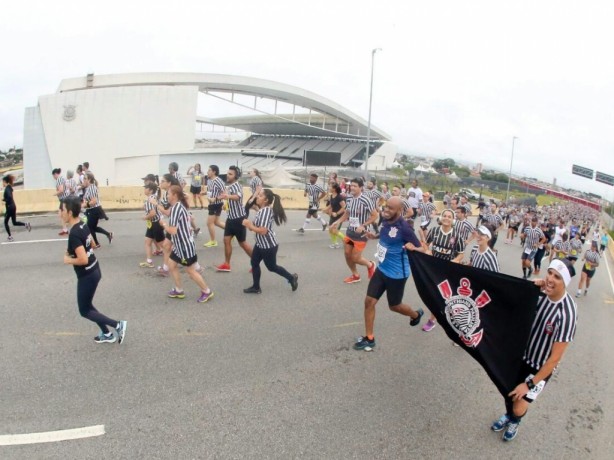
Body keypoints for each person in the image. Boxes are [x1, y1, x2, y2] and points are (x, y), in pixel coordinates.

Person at [491, 258, 577, 442]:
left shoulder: (567, 314)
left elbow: (554, 359)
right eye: (550, 273)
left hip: (538, 368)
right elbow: (514, 297)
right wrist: (531, 287)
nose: (551, 279)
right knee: (508, 391)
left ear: (565, 283)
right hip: (519, 355)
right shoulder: (540, 292)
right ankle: (509, 415)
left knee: (518, 404)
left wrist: (529, 384)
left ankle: (515, 420)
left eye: (558, 277)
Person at [353, 197, 424, 352]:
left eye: (390, 208)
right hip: (382, 268)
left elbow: (422, 249)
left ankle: (415, 315)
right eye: (385, 207)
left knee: (394, 306)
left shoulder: (405, 228)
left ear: (399, 211)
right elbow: (385, 234)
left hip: (397, 274)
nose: (386, 210)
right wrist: (374, 236)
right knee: (369, 302)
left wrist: (414, 248)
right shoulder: (385, 220)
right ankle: (369, 338)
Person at [61, 196, 127, 344]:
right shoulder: (82, 224)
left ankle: (117, 325)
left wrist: (69, 259)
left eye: (62, 209)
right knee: (88, 305)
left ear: (70, 212)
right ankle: (107, 334)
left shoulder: (74, 233)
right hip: (95, 269)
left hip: (87, 275)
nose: (60, 212)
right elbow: (91, 242)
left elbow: (83, 259)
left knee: (84, 310)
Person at [410, 208, 465, 332]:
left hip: (447, 271)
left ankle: (436, 320)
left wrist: (455, 261)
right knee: (432, 294)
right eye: (444, 215)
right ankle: (435, 318)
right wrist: (427, 250)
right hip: (432, 268)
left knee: (442, 296)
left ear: (453, 220)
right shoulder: (434, 231)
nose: (446, 218)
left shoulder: (457, 236)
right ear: (441, 218)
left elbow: (461, 254)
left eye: (449, 216)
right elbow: (426, 245)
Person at [160, 185, 214, 303]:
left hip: (185, 246)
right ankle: (179, 290)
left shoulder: (176, 208)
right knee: (171, 265)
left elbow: (173, 231)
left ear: (174, 195)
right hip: (180, 246)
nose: (167, 196)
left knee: (190, 271)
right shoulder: (178, 206)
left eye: (168, 194)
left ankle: (207, 291)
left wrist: (163, 224)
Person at [242, 189, 298, 294]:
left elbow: (263, 231)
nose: (258, 197)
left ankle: (291, 278)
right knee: (254, 263)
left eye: (260, 196)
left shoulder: (265, 212)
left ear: (266, 200)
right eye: (258, 195)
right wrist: (250, 225)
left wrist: (249, 225)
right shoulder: (261, 210)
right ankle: (256, 287)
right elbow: (255, 227)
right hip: (260, 244)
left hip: (268, 246)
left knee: (272, 267)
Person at [330, 177, 378, 284]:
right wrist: (337, 221)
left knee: (355, 258)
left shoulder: (366, 200)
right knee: (347, 254)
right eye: (351, 185)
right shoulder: (349, 198)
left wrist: (363, 225)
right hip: (350, 232)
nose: (352, 187)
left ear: (361, 187)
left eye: (355, 186)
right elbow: (347, 213)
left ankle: (370, 265)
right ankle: (355, 275)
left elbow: (375, 215)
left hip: (361, 234)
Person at [215, 166, 253, 272]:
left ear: (235, 176)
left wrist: (227, 197)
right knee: (226, 240)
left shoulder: (237, 186)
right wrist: (225, 205)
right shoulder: (230, 186)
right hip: (230, 219)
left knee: (243, 243)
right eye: (227, 173)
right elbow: (231, 199)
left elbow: (238, 197)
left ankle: (255, 262)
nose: (228, 175)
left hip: (238, 219)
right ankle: (227, 264)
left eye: (230, 174)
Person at [82, 172, 113, 249]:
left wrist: (85, 205)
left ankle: (96, 243)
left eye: (85, 179)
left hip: (94, 210)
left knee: (90, 228)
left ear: (89, 179)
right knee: (93, 227)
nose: (84, 180)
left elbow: (94, 201)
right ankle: (108, 234)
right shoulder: (89, 188)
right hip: (91, 210)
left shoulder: (92, 187)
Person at [139, 183, 165, 268]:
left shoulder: (151, 199)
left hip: (156, 223)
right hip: (152, 224)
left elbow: (153, 213)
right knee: (147, 242)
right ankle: (149, 262)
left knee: (164, 246)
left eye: (146, 188)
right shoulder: (153, 197)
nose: (144, 189)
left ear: (150, 190)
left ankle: (175, 260)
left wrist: (145, 217)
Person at [3, 174, 31, 241]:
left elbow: (9, 197)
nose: (2, 184)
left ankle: (10, 237)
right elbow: (10, 196)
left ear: (5, 181)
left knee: (5, 222)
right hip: (13, 206)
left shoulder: (7, 188)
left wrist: (5, 200)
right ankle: (26, 224)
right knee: (14, 222)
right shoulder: (9, 187)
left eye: (2, 182)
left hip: (10, 207)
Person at [203, 165, 226, 247]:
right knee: (216, 222)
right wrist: (204, 193)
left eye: (209, 170)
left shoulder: (218, 181)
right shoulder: (210, 180)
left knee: (209, 223)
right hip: (212, 204)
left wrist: (215, 198)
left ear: (214, 172)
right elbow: (211, 191)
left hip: (216, 204)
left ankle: (213, 241)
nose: (207, 172)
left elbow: (225, 193)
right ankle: (231, 232)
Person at [323, 182, 346, 248]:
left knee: (334, 231)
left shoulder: (339, 197)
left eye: (330, 187)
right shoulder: (331, 195)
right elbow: (331, 205)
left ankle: (348, 242)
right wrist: (325, 209)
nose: (329, 188)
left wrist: (337, 213)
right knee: (330, 230)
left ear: (334, 189)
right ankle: (335, 243)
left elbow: (344, 206)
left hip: (339, 216)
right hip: (333, 215)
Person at [52, 168, 70, 235]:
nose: (53, 177)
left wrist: (55, 193)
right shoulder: (63, 178)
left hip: (64, 198)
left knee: (63, 214)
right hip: (65, 198)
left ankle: (65, 229)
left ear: (55, 174)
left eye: (53, 176)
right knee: (61, 214)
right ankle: (65, 229)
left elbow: (61, 190)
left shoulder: (59, 179)